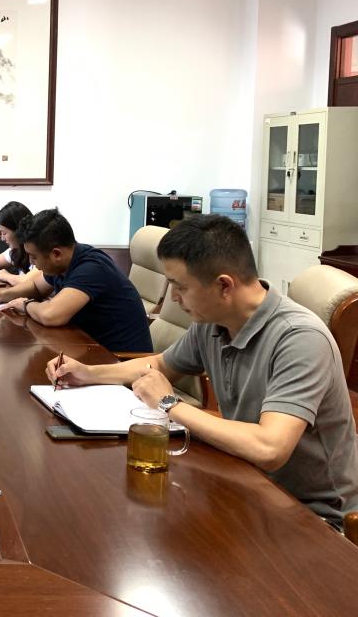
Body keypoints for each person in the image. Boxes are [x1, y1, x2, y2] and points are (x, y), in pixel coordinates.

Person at [46, 214, 358, 527]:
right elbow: (160, 365)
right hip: (247, 481)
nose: (173, 298)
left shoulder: (299, 338)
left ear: (224, 285)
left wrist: (169, 403)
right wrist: (89, 373)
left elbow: (270, 447)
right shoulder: (212, 323)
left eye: (180, 287)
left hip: (313, 516)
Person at [0, 208, 151, 353]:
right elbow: (36, 287)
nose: (32, 262)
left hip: (120, 361)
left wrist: (26, 305)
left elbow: (51, 315)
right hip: (89, 348)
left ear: (56, 254)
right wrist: (1, 294)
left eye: (34, 257)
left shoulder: (91, 268)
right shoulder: (63, 262)